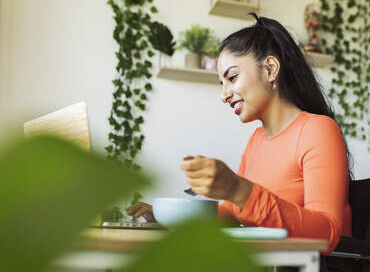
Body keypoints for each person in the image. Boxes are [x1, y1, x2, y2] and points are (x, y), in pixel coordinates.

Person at [128, 13, 352, 254]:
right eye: (222, 84)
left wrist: (239, 190)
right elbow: (233, 214)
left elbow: (327, 234)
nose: (224, 95)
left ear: (270, 68)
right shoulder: (256, 141)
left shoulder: (317, 130)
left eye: (232, 78)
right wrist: (171, 216)